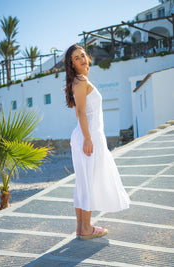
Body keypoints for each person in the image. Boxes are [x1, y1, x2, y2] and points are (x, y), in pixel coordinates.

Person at [64, 44, 130, 240]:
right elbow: (81, 112)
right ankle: (86, 228)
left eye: (83, 55)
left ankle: (81, 227)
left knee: (84, 182)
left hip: (88, 136)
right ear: (72, 64)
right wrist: (87, 139)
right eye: (77, 57)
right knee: (88, 182)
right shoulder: (81, 81)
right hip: (88, 137)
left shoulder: (79, 80)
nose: (82, 59)